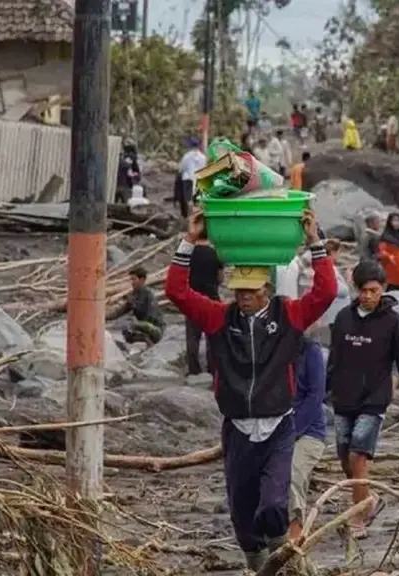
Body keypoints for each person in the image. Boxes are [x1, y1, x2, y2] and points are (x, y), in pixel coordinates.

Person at [165, 208, 335, 571]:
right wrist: (190, 239)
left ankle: (282, 564)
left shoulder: (288, 316)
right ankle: (259, 566)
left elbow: (326, 292)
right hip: (238, 429)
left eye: (251, 292)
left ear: (267, 291)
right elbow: (176, 292)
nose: (243, 297)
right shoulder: (219, 318)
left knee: (274, 505)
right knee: (242, 517)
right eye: (239, 291)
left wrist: (315, 242)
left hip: (278, 426)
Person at [327, 260, 399, 539]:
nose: (368, 296)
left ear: (383, 288)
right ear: (356, 289)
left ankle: (358, 518)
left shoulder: (393, 322)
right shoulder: (343, 318)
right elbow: (334, 359)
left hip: (374, 398)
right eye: (363, 291)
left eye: (374, 290)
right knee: (345, 459)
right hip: (343, 397)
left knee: (358, 455)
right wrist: (324, 392)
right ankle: (369, 500)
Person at [288, 336, 327, 542]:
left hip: (310, 431)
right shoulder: (270, 347)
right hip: (274, 427)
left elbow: (316, 395)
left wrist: (294, 431)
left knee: (293, 474)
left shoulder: (311, 351)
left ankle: (295, 534)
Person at [185, 232, 224, 375]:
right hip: (211, 298)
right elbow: (220, 278)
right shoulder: (215, 254)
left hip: (193, 299)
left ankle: (193, 370)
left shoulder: (189, 253)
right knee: (212, 335)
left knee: (192, 336)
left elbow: (184, 275)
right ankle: (213, 369)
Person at [110, 267, 165, 345]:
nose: (132, 282)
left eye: (134, 279)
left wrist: (138, 325)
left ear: (142, 280)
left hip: (155, 328)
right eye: (131, 280)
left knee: (130, 324)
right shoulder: (134, 295)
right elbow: (119, 312)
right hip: (143, 325)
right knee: (126, 332)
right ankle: (143, 341)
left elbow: (151, 317)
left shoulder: (149, 295)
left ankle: (148, 341)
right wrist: (103, 316)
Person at [177, 136, 206, 217]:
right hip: (199, 179)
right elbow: (205, 168)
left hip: (188, 179)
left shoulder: (186, 156)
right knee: (198, 199)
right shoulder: (202, 157)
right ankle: (197, 215)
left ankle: (189, 215)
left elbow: (181, 169)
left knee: (188, 199)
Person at [115, 138, 140, 203]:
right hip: (125, 183)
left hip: (122, 183)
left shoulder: (127, 157)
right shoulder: (128, 158)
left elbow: (135, 172)